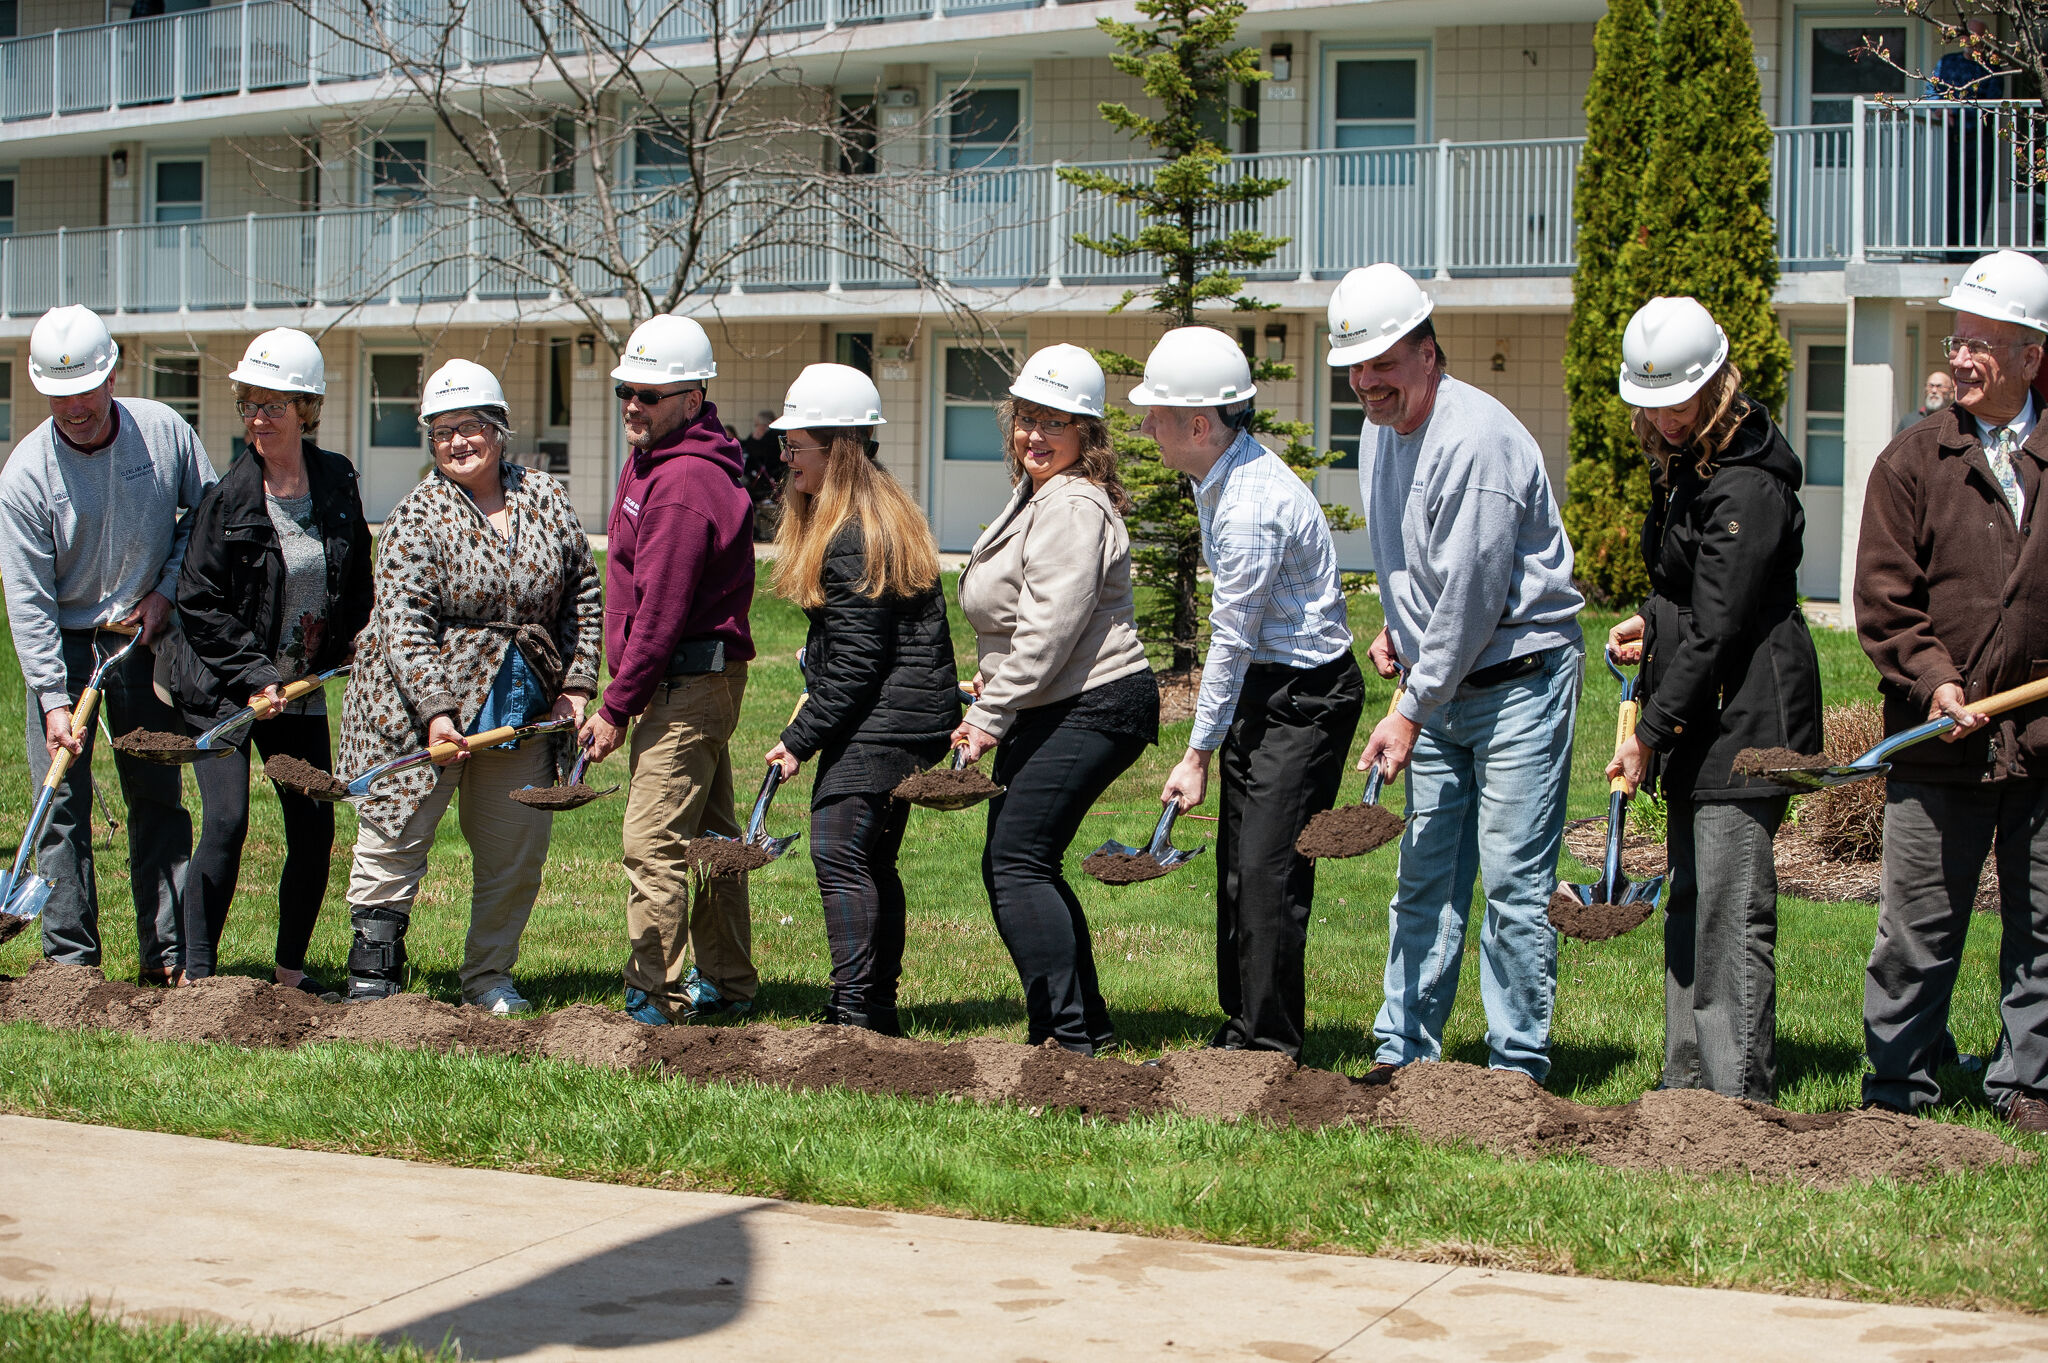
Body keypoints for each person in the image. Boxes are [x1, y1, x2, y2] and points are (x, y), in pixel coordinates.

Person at [1329, 263, 1584, 1083]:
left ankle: (1515, 1068)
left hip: (1520, 677)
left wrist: (1407, 705)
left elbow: (1474, 598)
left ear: (1428, 351)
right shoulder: (1380, 431)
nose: (1369, 382)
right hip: (1442, 681)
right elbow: (1417, 559)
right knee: (1426, 875)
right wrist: (1399, 630)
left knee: (1513, 882)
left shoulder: (1476, 442)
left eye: (1385, 362)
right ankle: (1401, 1054)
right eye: (1356, 367)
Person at [1605, 297, 1823, 1103]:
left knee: (1731, 909)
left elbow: (1723, 627)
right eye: (1650, 405)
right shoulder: (1688, 464)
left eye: (1678, 402)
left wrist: (1649, 733)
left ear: (1718, 385)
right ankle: (1684, 1089)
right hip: (1705, 702)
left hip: (1749, 711)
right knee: (1691, 898)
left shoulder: (1748, 486)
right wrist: (1650, 622)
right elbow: (1689, 599)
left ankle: (1735, 1100)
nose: (1663, 419)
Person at [335, 359, 602, 1011]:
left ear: (500, 428)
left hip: (521, 710)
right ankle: (375, 975)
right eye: (442, 430)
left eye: (471, 426)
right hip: (417, 711)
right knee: (394, 837)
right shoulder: (416, 515)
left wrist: (577, 682)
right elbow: (403, 621)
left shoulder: (545, 497)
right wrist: (436, 713)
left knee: (513, 852)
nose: (457, 442)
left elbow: (584, 592)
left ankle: (489, 977)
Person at [1855, 249, 2048, 1134]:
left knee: (2043, 932)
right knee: (1918, 934)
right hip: (1940, 748)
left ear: (2032, 357)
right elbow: (1885, 602)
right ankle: (1898, 1096)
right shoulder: (1910, 462)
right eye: (1957, 339)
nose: (1962, 358)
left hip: (2042, 746)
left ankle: (2031, 1090)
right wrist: (1934, 682)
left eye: (1983, 343)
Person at [1142, 327, 1362, 1060]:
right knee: (1237, 865)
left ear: (1199, 425)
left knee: (1269, 869)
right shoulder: (1220, 477)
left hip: (1307, 696)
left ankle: (1271, 1048)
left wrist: (1196, 752)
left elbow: (1229, 640)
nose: (1146, 426)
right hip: (1267, 686)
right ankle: (1241, 1026)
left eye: (1158, 414)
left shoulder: (1250, 507)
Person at [954, 345, 1159, 1056]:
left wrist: (986, 717)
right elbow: (1030, 626)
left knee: (1016, 860)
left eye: (1057, 423)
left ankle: (1070, 1041)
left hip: (1095, 700)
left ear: (1088, 437)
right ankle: (1077, 1028)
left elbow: (1050, 631)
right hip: (1059, 698)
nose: (1036, 435)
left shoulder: (1072, 504)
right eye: (1027, 419)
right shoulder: (1040, 495)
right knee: (1022, 859)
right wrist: (992, 681)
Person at [0, 305, 213, 981]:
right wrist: (53, 699)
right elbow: (28, 599)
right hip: (63, 638)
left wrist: (168, 589)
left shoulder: (162, 432)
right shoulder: (25, 475)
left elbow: (206, 519)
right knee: (61, 805)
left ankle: (169, 957)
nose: (75, 409)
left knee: (156, 793)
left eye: (86, 391)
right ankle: (70, 966)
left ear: (113, 374)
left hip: (139, 635)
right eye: (59, 397)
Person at [158, 329, 373, 995]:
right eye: (249, 404)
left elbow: (355, 571)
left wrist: (358, 631)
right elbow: (198, 601)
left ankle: (290, 974)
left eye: (272, 405)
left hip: (299, 684)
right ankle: (198, 976)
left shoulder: (335, 479)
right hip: (227, 683)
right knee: (226, 821)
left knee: (312, 825)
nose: (257, 418)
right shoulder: (230, 498)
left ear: (305, 409)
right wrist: (255, 675)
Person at [762, 364, 958, 1035]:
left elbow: (857, 664)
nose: (786, 459)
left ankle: (852, 1017)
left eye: (796, 446)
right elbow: (859, 643)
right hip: (910, 716)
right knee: (870, 858)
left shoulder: (851, 533)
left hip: (887, 721)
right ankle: (875, 1008)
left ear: (837, 447)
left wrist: (797, 740)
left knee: (838, 850)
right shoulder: (879, 508)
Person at [578, 315, 759, 1026]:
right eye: (628, 389)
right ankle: (731, 982)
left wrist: (616, 707)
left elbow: (660, 615)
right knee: (712, 841)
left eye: (651, 395)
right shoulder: (650, 457)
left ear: (693, 397)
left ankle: (654, 994)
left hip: (684, 681)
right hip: (680, 680)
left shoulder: (683, 482)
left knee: (651, 841)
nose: (634, 404)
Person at [1929, 20, 2006, 262]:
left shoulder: (1990, 67)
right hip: (1953, 140)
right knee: (1953, 195)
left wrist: (1961, 108)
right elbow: (1932, 90)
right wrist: (1941, 109)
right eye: (1966, 34)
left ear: (1983, 38)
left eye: (1975, 35)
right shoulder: (1947, 63)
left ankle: (1970, 253)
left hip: (1979, 139)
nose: (1970, 40)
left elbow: (1993, 100)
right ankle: (1952, 252)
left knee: (1977, 195)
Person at [740, 408, 784, 541]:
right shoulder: (778, 435)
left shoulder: (771, 437)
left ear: (765, 425)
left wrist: (755, 439)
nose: (755, 428)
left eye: (756, 425)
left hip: (767, 483)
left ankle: (751, 530)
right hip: (771, 480)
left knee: (741, 490)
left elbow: (752, 449)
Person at [1897, 371, 1956, 435]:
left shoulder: (1957, 421)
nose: (1934, 391)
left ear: (1951, 394)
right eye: (1930, 386)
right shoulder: (1909, 421)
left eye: (1939, 386)